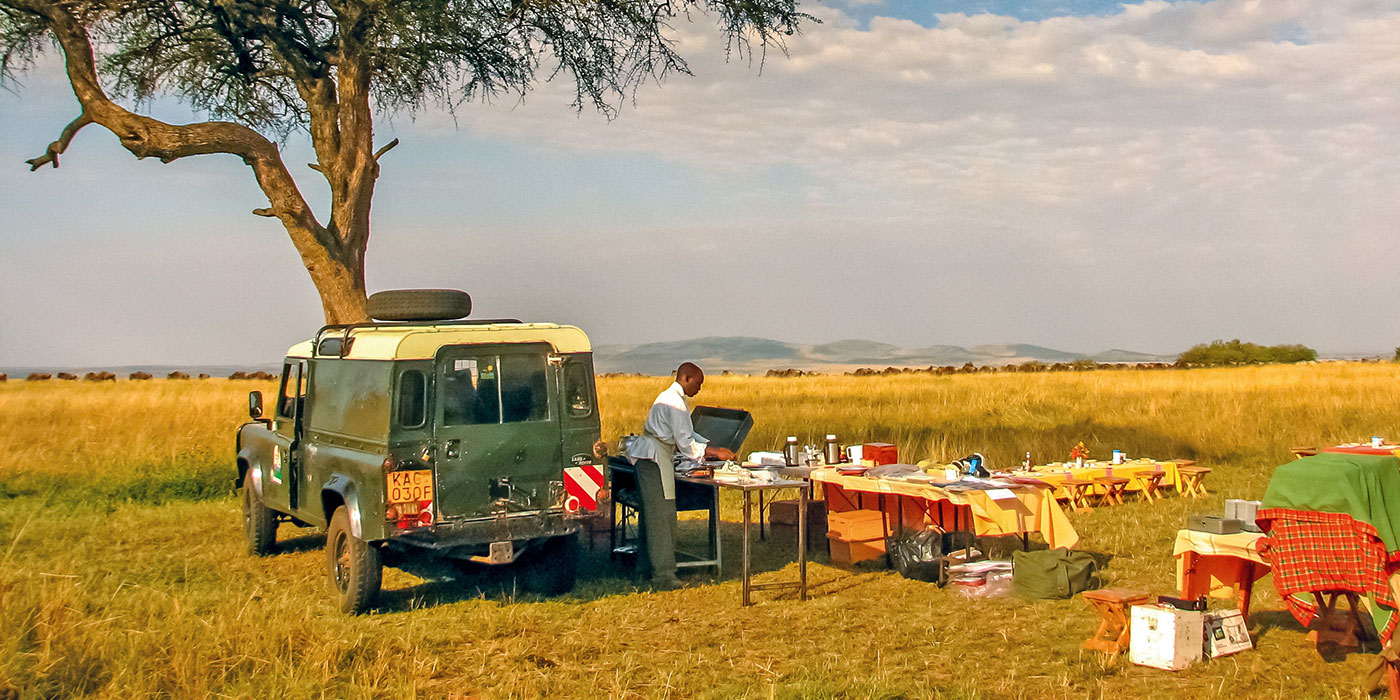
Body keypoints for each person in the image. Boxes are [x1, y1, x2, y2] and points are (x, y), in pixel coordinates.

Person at [626, 362, 735, 589]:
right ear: (686, 378)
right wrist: (713, 451)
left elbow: (688, 433)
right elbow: (685, 443)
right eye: (698, 383)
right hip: (654, 458)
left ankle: (645, 570)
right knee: (662, 518)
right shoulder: (675, 402)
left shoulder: (671, 398)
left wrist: (708, 444)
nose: (699, 389)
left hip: (654, 457)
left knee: (652, 517)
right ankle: (664, 576)